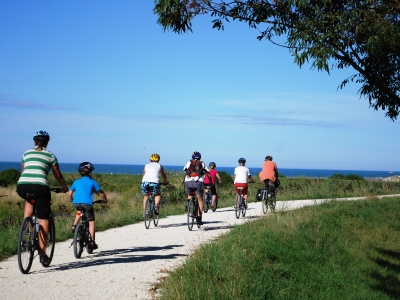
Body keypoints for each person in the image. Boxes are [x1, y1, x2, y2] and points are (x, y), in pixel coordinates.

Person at [16, 130, 69, 264]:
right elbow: (58, 176)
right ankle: (42, 251)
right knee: (44, 219)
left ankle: (26, 226)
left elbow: (24, 170)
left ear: (34, 141)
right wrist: (65, 188)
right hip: (40, 187)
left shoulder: (26, 153)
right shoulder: (50, 155)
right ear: (47, 142)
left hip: (22, 185)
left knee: (29, 200)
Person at [68, 162, 108, 250]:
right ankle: (92, 241)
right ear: (90, 172)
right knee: (91, 222)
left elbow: (70, 193)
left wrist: (71, 199)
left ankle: (74, 225)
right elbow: (100, 192)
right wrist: (105, 199)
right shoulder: (92, 182)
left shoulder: (76, 181)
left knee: (79, 211)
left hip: (76, 203)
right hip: (87, 204)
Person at [183, 151, 209, 225]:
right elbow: (207, 172)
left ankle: (188, 202)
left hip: (188, 182)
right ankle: (198, 217)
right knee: (200, 200)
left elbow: (184, 169)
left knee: (190, 194)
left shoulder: (189, 162)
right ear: (200, 157)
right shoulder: (202, 163)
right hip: (198, 182)